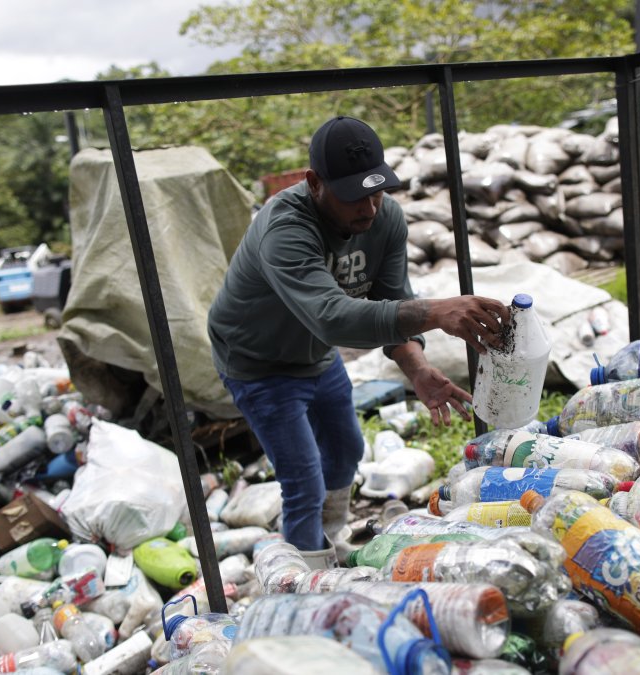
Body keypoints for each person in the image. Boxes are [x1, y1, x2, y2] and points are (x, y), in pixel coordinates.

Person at [207, 115, 510, 565]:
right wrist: (436, 311)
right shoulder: (285, 228)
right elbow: (331, 318)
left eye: (377, 190)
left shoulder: (385, 220)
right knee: (304, 479)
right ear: (314, 183)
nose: (368, 207)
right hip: (259, 362)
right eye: (353, 195)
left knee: (347, 449)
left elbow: (392, 301)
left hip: (315, 353)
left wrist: (419, 369)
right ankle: (304, 579)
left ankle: (328, 539)